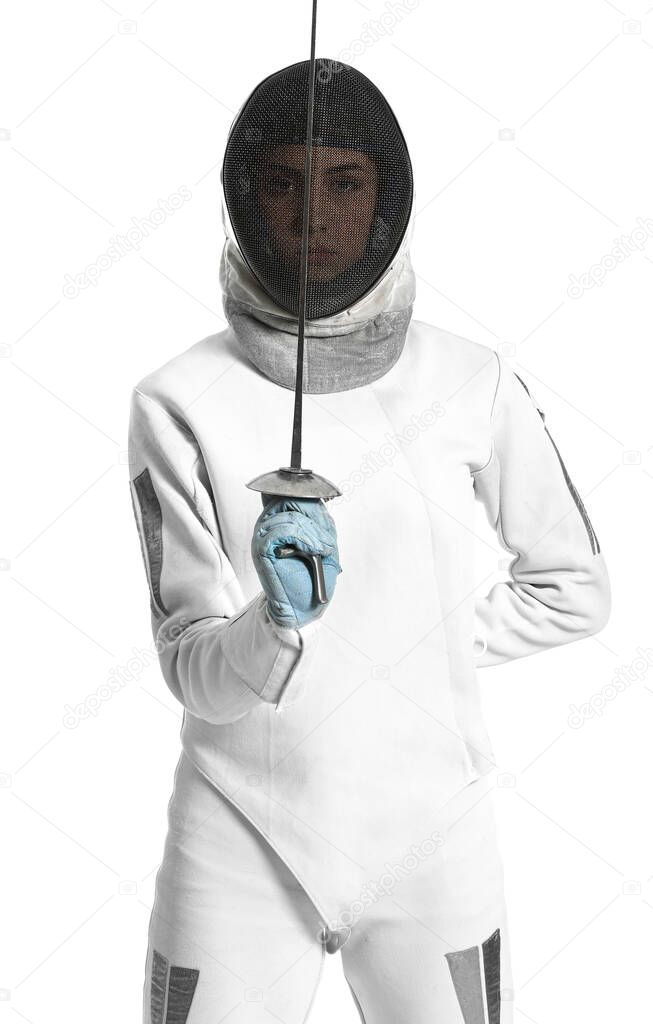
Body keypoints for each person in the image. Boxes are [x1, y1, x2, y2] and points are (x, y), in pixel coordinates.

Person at [128, 59, 611, 1024]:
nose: (311, 219)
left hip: (432, 833)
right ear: (242, 201)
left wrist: (415, 640)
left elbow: (571, 589)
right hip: (236, 831)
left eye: (342, 183)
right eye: (282, 184)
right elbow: (191, 670)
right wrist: (273, 623)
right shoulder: (176, 400)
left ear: (383, 200)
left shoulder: (470, 379)